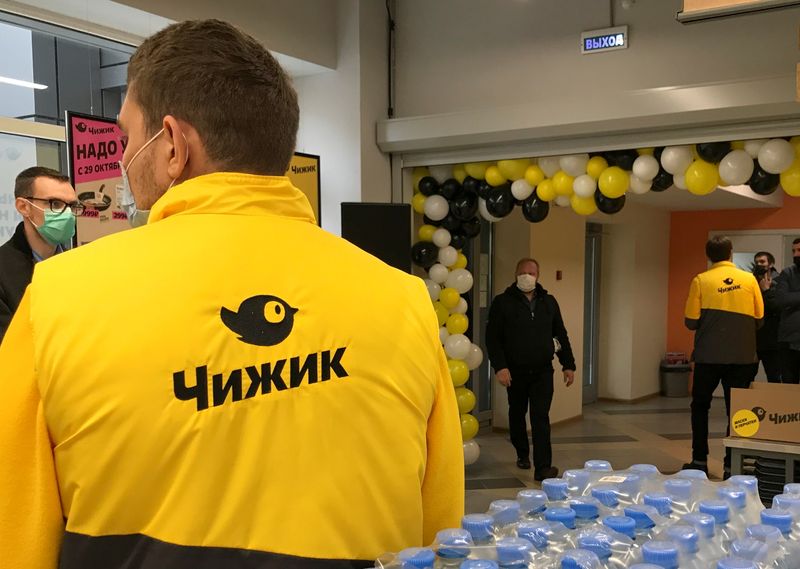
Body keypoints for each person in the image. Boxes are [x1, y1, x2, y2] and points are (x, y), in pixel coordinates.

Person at [0, 20, 463, 568]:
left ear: (173, 144)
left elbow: (16, 533)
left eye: (126, 137)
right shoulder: (404, 300)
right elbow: (442, 535)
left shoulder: (57, 300)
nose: (123, 157)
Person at [486, 257, 575, 482]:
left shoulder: (549, 302)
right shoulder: (502, 302)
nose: (527, 276)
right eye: (522, 272)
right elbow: (493, 339)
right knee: (517, 414)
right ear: (516, 275)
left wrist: (568, 364)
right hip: (514, 373)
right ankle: (522, 453)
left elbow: (560, 334)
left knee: (540, 418)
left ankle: (543, 467)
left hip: (542, 372)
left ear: (538, 276)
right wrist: (500, 367)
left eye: (531, 273)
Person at [683, 236, 763, 476]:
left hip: (708, 357)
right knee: (738, 411)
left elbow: (691, 322)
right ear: (731, 252)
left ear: (708, 256)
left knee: (700, 407)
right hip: (742, 358)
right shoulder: (749, 280)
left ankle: (699, 461)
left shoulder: (700, 280)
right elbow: (759, 319)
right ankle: (732, 465)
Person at [0, 166, 79, 340]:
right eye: (55, 204)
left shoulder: (79, 266)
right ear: (23, 207)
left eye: (72, 206)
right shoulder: (3, 271)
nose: (68, 214)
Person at [774, 237, 800, 384]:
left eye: (799, 250)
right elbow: (781, 300)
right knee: (789, 386)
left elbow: (788, 298)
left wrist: (793, 296)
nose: (796, 254)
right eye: (793, 251)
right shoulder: (787, 273)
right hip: (788, 340)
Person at [753, 251, 781, 382]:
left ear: (770, 264)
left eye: (762, 261)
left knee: (774, 376)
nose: (759, 264)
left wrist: (767, 291)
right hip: (753, 338)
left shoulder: (780, 281)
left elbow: (778, 308)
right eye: (757, 262)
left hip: (772, 339)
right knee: (747, 376)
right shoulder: (751, 282)